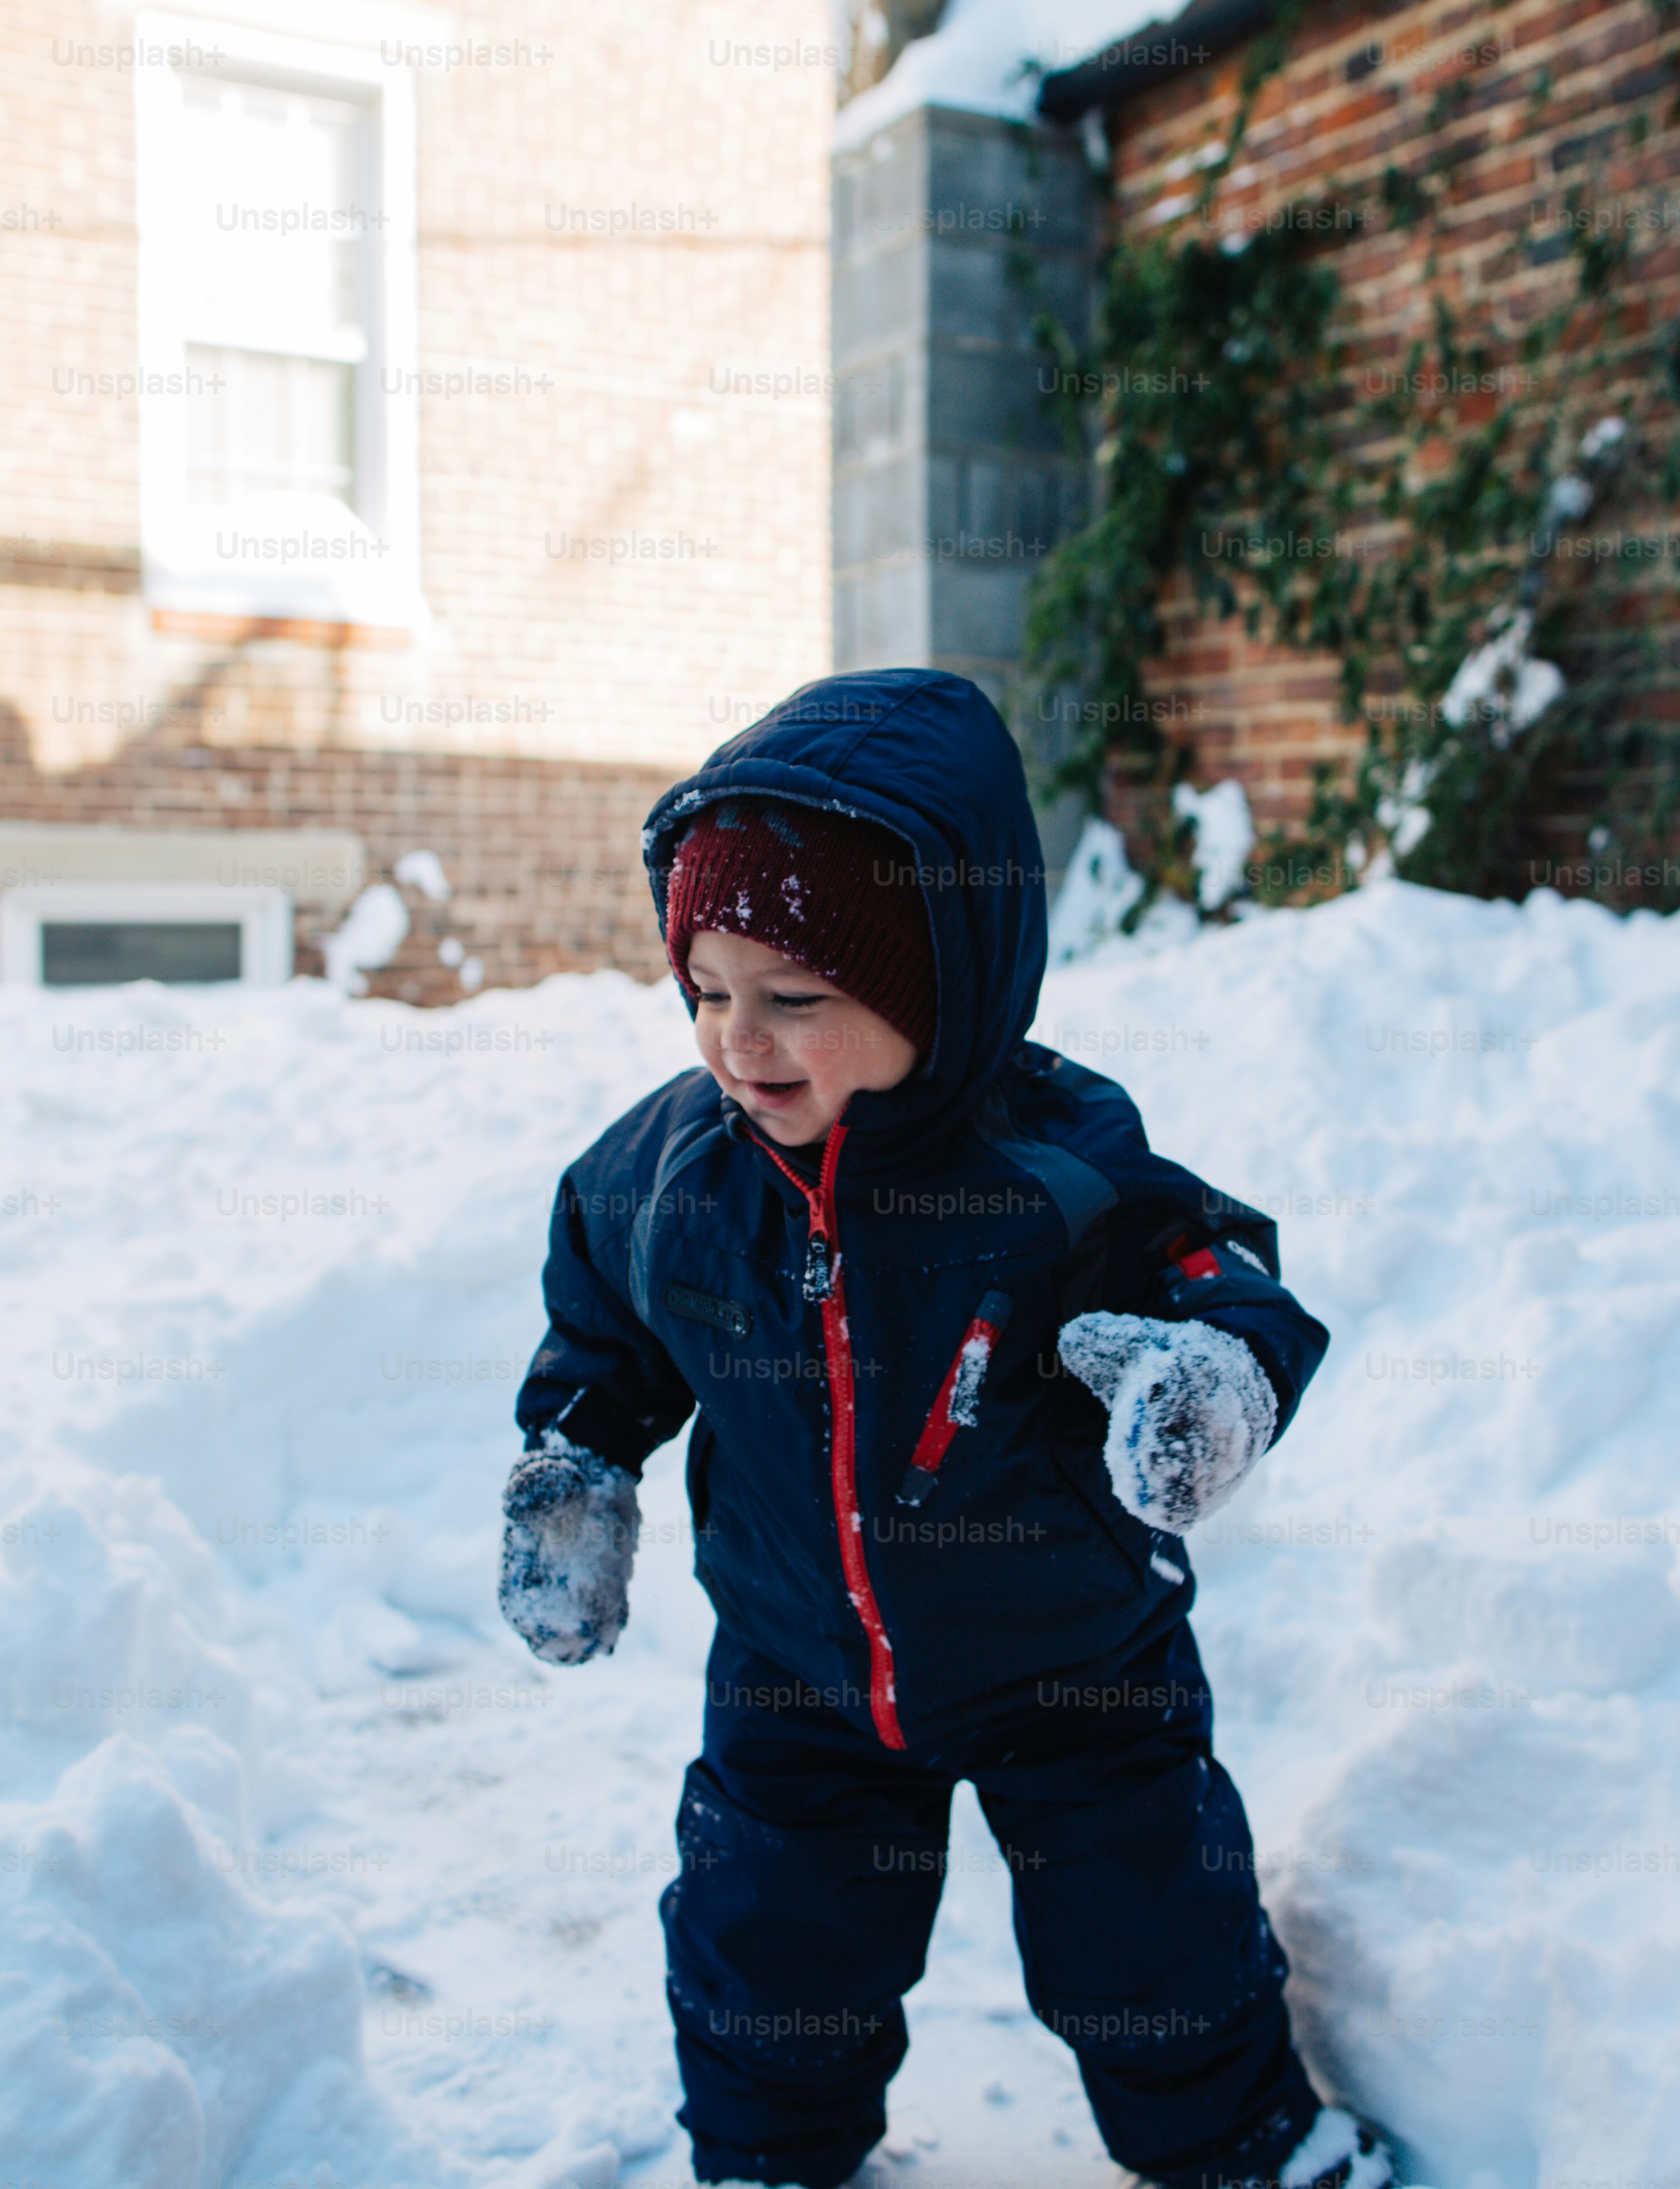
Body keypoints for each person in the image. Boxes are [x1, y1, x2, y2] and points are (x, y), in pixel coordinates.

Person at [500, 669, 1392, 2189]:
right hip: (797, 1664)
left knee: (1152, 1937)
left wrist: (1209, 1383)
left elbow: (1225, 1280)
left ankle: (1250, 2150)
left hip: (1074, 1660)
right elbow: (604, 1331)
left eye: (797, 1000)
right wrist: (578, 1469)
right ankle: (773, 2163)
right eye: (708, 990)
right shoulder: (667, 1176)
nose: (739, 1041)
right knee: (766, 1953)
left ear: (934, 990)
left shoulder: (1056, 1162)